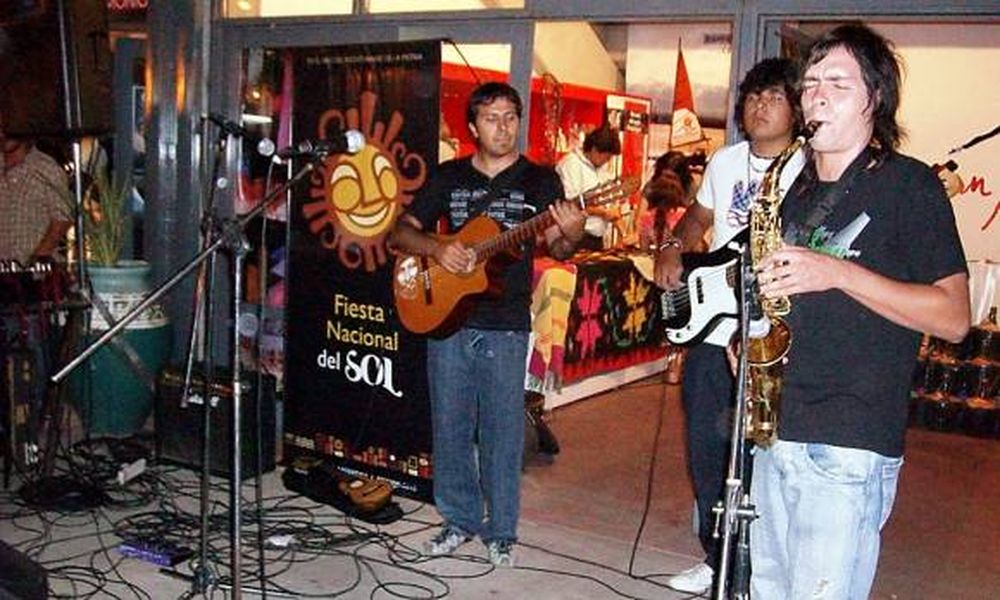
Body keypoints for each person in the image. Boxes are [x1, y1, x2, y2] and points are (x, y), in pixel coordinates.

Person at [750, 25, 969, 599]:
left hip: (848, 440)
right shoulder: (791, 188)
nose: (816, 96)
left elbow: (953, 316)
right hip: (776, 430)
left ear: (875, 98)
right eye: (811, 83)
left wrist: (838, 273)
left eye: (838, 84)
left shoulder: (909, 186)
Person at [391, 82, 585, 567]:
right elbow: (399, 230)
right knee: (451, 427)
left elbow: (558, 250)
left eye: (511, 116)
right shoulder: (449, 177)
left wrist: (573, 234)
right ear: (473, 127)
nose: (504, 126)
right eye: (493, 118)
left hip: (506, 322)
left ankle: (501, 530)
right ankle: (458, 520)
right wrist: (438, 248)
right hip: (447, 321)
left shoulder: (541, 183)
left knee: (501, 432)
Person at [653, 57, 806, 595]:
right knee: (706, 447)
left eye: (774, 98)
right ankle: (717, 560)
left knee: (771, 457)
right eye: (753, 98)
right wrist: (674, 243)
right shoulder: (725, 160)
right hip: (715, 326)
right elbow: (699, 215)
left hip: (775, 335)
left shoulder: (810, 167)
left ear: (797, 107)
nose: (760, 107)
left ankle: (761, 570)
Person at [0, 113, 70, 264]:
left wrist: (38, 257)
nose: (3, 134)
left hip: (35, 276)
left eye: (8, 128)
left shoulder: (46, 169)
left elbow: (63, 217)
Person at [555, 123, 621, 249]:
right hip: (575, 237)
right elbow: (571, 204)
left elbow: (611, 201)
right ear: (594, 150)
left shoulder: (604, 169)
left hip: (597, 239)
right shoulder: (571, 164)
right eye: (606, 157)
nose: (607, 161)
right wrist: (603, 212)